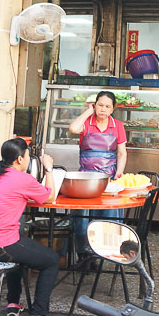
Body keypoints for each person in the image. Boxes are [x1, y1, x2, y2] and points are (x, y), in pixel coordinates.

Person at [0, 138, 63, 316]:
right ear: (19, 160)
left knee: (23, 247)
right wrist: (48, 169)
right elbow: (50, 197)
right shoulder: (21, 179)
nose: (28, 159)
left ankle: (13, 303)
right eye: (27, 156)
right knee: (51, 260)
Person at [68, 91, 127, 252]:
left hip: (108, 180)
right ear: (95, 105)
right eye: (100, 105)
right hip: (85, 180)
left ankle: (105, 252)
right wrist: (88, 111)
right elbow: (73, 128)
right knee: (82, 220)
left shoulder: (118, 126)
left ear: (112, 109)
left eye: (107, 106)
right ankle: (83, 253)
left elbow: (122, 153)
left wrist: (119, 173)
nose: (103, 109)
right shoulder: (87, 123)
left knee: (107, 219)